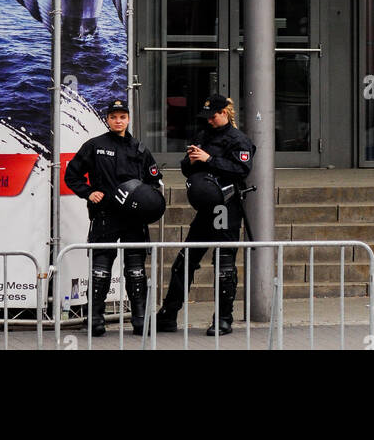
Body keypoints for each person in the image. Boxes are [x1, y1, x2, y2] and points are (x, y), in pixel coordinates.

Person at [156, 93, 255, 337]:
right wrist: (191, 160)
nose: (209, 120)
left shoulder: (238, 140)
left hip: (227, 206)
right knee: (185, 259)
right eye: (207, 117)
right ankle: (168, 314)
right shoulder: (203, 135)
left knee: (224, 263)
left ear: (224, 114)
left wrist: (209, 159)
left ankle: (223, 318)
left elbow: (241, 169)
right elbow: (186, 167)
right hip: (205, 207)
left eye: (213, 116)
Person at [65, 97, 164, 336]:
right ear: (107, 119)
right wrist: (89, 193)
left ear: (128, 119)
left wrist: (149, 201)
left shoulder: (140, 149)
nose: (118, 121)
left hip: (134, 219)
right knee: (100, 269)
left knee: (136, 268)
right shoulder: (95, 146)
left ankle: (140, 319)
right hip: (105, 215)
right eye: (113, 117)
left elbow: (154, 182)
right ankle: (95, 318)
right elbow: (72, 175)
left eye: (122, 117)